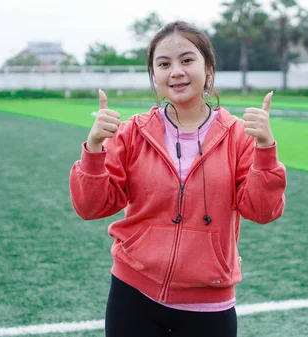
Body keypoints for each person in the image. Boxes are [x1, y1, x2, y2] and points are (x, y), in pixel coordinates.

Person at [69, 21, 286, 337]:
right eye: (164, 64)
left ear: (208, 68)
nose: (176, 72)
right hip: (133, 295)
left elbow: (263, 211)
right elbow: (91, 207)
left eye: (187, 60)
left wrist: (265, 148)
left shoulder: (239, 136)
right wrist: (94, 149)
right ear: (154, 76)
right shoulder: (132, 132)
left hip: (209, 304)